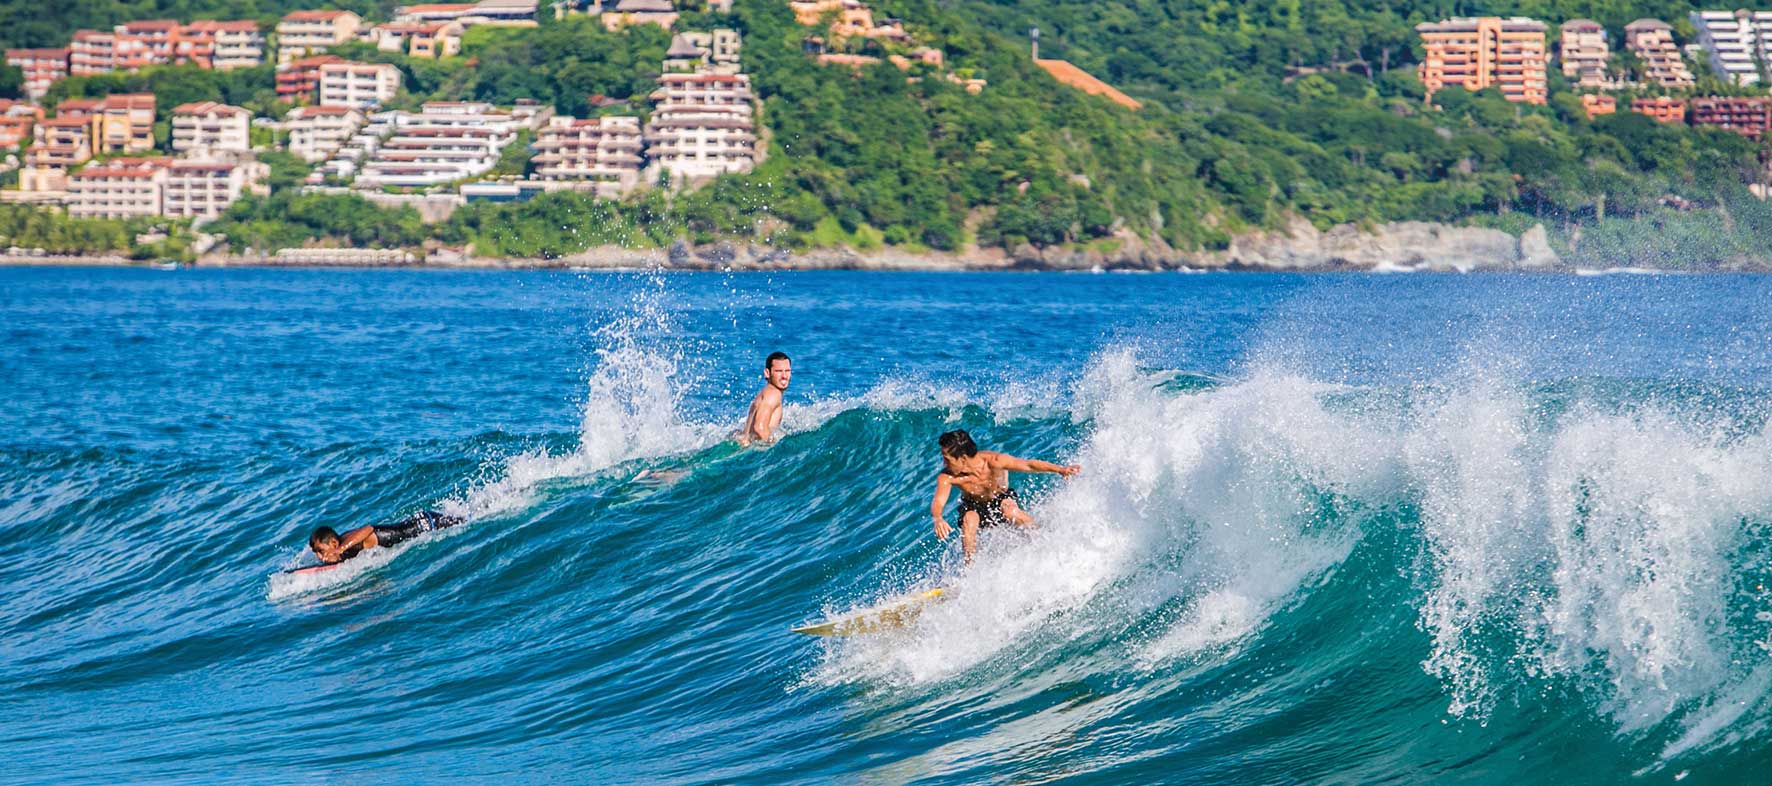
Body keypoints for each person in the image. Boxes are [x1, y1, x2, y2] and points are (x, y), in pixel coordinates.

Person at [930, 429, 1080, 561]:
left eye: (947, 459)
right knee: (969, 520)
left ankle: (1045, 541)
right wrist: (938, 518)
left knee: (1010, 511)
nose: (943, 463)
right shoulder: (947, 477)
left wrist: (1060, 469)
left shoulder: (994, 461)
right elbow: (939, 502)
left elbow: (1028, 465)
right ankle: (969, 570)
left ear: (962, 458)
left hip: (1001, 499)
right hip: (973, 506)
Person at [308, 509, 464, 565]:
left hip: (426, 524)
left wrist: (341, 549)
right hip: (419, 522)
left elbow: (369, 528)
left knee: (472, 520)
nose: (321, 557)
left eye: (321, 551)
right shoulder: (343, 544)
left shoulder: (348, 543)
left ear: (334, 543)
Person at [738, 351, 792, 446]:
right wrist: (776, 448)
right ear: (767, 373)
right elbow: (759, 428)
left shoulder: (764, 393)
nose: (784, 376)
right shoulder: (773, 394)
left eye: (787, 371)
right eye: (778, 371)